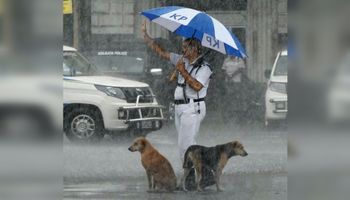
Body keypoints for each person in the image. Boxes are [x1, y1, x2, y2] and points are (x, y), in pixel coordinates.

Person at [141, 20, 212, 162]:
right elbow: (161, 52)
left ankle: (191, 174)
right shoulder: (181, 60)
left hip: (193, 107)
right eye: (183, 47)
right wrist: (146, 36)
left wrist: (182, 71)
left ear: (195, 49)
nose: (183, 50)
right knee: (186, 143)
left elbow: (197, 86)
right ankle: (195, 170)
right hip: (179, 107)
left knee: (185, 144)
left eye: (186, 48)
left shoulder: (204, 67)